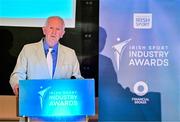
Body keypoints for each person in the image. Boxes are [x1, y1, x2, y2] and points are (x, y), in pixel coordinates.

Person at [9, 16, 82, 96]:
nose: (54, 32)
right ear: (44, 30)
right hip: (33, 99)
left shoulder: (70, 53)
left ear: (62, 33)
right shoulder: (28, 49)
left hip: (60, 103)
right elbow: (17, 74)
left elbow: (77, 78)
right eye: (51, 28)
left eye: (58, 29)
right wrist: (17, 85)